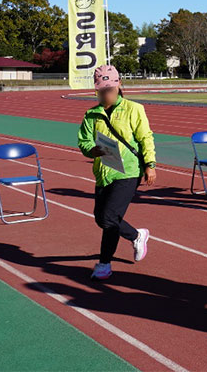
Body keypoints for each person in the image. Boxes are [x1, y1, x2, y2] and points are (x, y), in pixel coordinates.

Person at [78, 64, 157, 281]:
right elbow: (83, 141)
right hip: (104, 172)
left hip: (128, 171)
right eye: (102, 90)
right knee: (101, 219)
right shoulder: (91, 115)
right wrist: (91, 150)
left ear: (119, 85)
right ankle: (137, 235)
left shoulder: (134, 109)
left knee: (110, 217)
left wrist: (150, 164)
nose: (107, 94)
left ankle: (104, 264)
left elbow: (145, 137)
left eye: (110, 89)